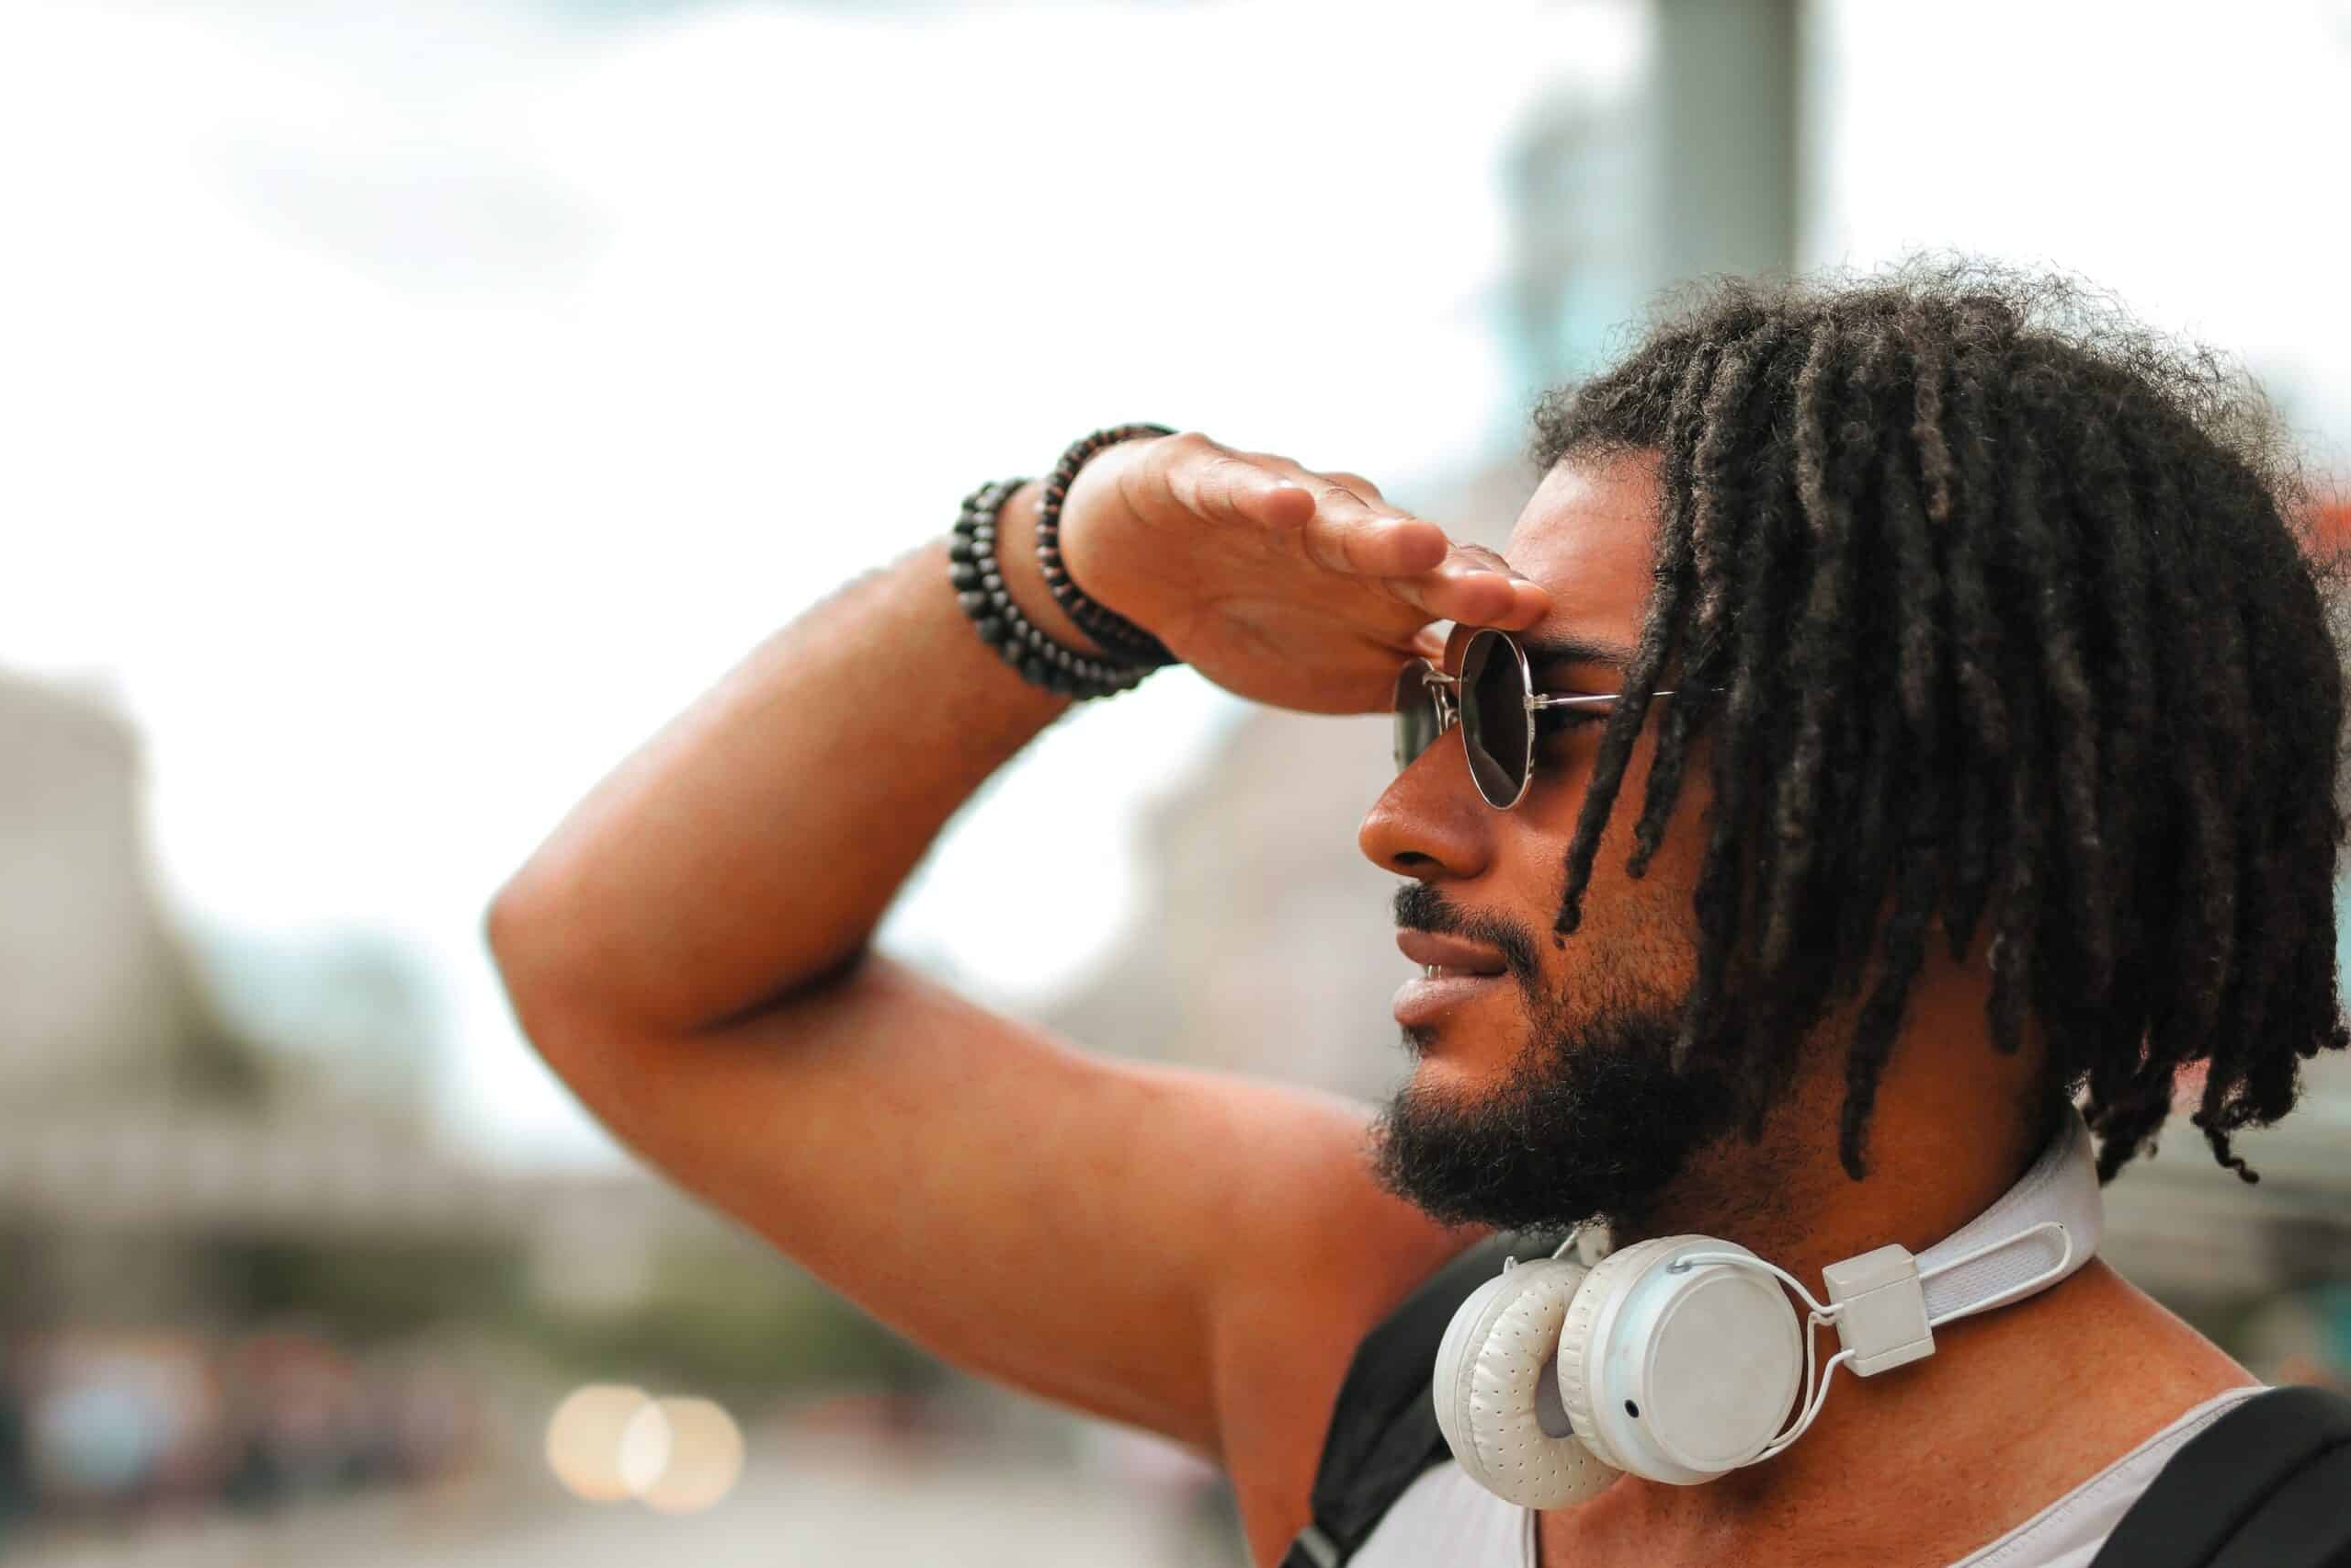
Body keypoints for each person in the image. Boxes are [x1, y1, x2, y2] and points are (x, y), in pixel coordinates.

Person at [484, 260, 2350, 1568]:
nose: (1400, 820)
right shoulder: (1371, 1335)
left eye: (1519, 718)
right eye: (1422, 710)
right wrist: (1084, 558)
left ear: (1938, 815)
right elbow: (619, 976)